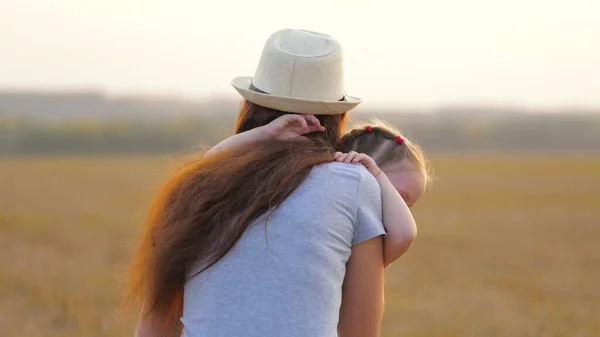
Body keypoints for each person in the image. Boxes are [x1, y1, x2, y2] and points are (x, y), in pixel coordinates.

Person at [125, 28, 395, 337]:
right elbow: (360, 330)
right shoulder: (354, 184)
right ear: (335, 116)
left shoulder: (197, 185)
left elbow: (155, 324)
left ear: (252, 106)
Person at [207, 115, 431, 267]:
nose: (402, 211)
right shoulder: (318, 193)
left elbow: (404, 235)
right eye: (401, 197)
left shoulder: (367, 247)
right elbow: (209, 168)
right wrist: (266, 134)